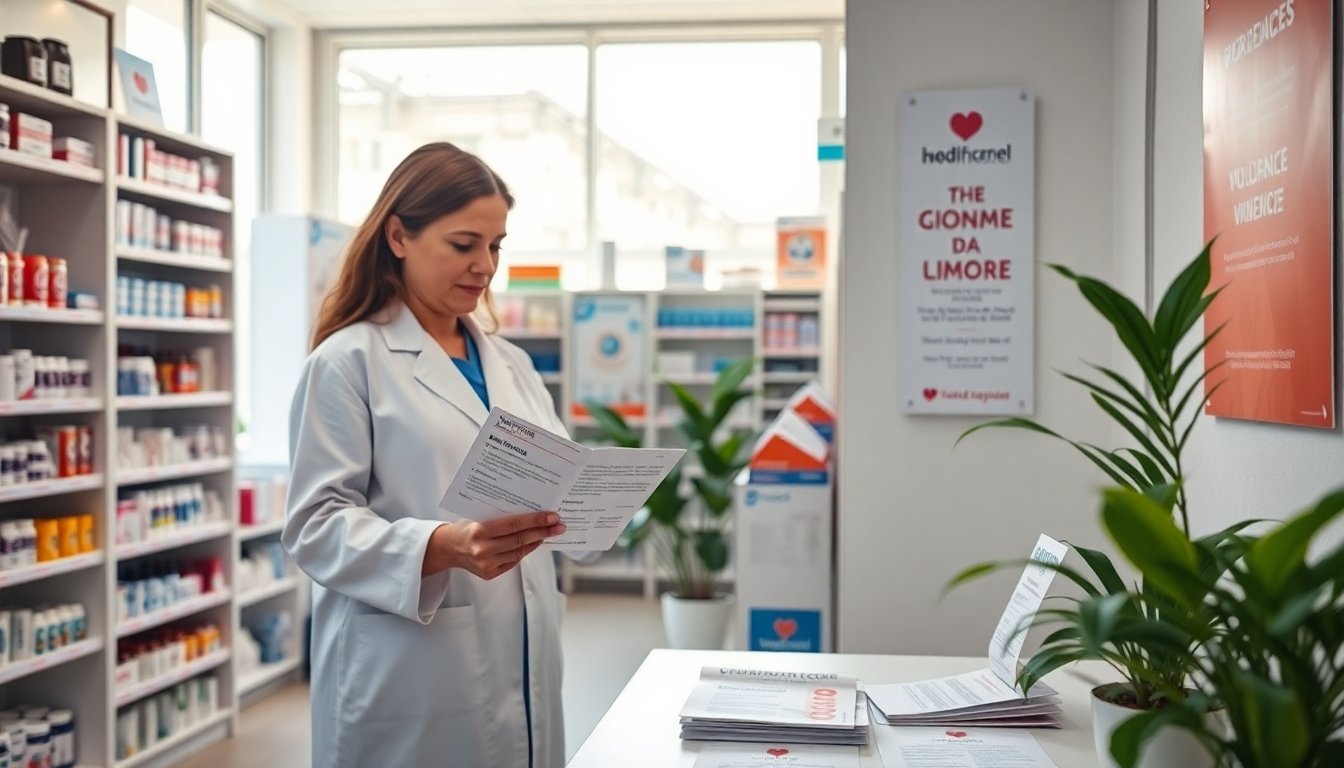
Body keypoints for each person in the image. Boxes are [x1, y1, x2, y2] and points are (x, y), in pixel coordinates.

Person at [284, 142, 571, 768]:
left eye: (495, 246)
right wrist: (439, 545)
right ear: (399, 236)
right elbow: (314, 524)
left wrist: (593, 499)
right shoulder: (348, 362)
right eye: (464, 244)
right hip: (408, 664)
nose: (485, 266)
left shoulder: (512, 365)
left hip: (520, 645)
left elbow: (557, 478)